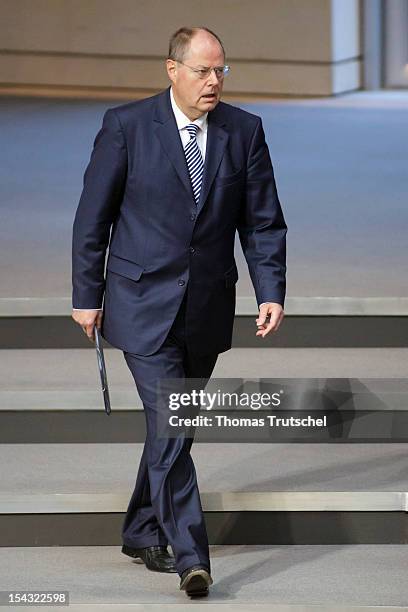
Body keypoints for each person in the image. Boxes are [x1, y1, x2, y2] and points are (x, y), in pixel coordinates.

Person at [71, 26, 287, 598]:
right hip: (141, 301)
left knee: (176, 426)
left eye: (221, 71)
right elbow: (93, 218)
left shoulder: (244, 131)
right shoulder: (127, 126)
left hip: (207, 305)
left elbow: (262, 220)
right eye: (202, 71)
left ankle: (142, 527)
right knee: (171, 421)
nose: (213, 81)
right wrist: (85, 295)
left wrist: (271, 289)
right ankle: (193, 556)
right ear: (172, 69)